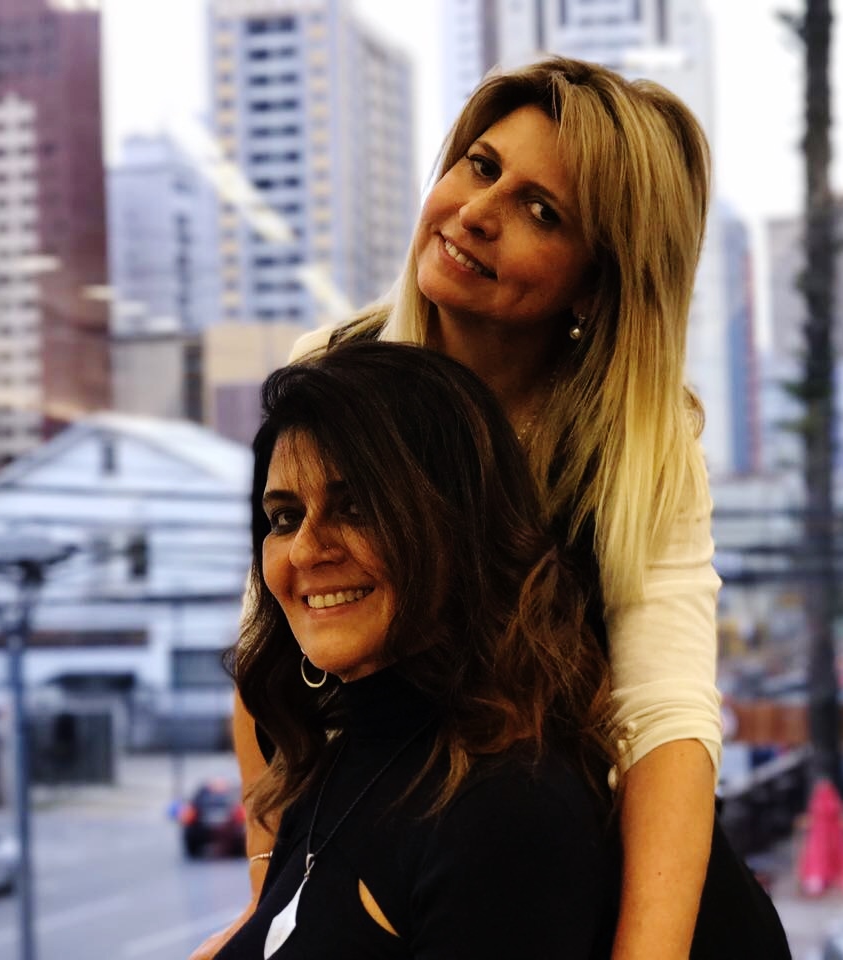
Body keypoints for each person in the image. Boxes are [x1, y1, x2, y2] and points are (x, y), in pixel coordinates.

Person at [196, 55, 790, 959]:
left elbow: (665, 718)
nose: (478, 212)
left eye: (540, 211)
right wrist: (272, 904)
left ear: (595, 280)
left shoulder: (632, 439)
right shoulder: (339, 368)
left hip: (576, 890)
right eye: (480, 166)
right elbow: (270, 652)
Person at [213, 341, 618, 959]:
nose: (306, 550)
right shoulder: (337, 758)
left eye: (356, 508)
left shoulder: (505, 810)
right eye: (285, 518)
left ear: (459, 526)